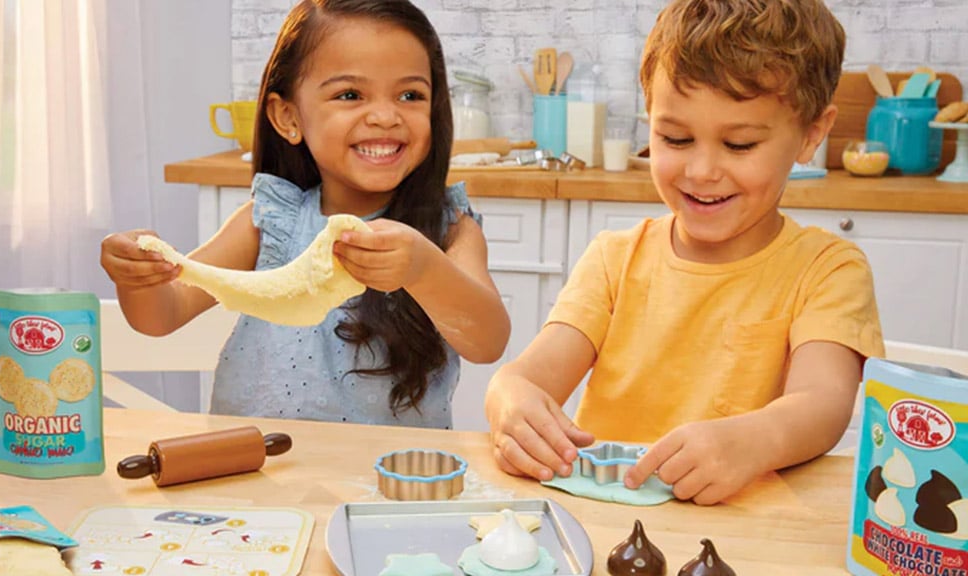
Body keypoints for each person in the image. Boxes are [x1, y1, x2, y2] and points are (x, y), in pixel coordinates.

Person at [485, 0, 884, 504]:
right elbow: (528, 377)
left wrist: (753, 441)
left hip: (742, 531)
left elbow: (823, 403)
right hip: (605, 518)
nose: (700, 171)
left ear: (811, 135)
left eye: (738, 145)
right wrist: (509, 396)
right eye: (674, 138)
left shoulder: (827, 270)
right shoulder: (615, 260)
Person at [100, 0, 510, 429]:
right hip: (257, 474)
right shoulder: (270, 222)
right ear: (288, 117)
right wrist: (139, 276)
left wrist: (424, 268)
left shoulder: (448, 230)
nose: (387, 116)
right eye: (350, 95)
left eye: (411, 95)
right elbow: (162, 315)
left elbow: (487, 342)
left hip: (387, 485)